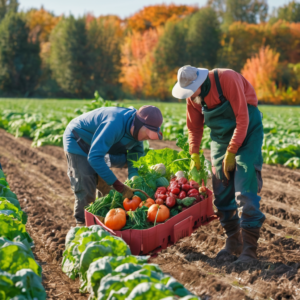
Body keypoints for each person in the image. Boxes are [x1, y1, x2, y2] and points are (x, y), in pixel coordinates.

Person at [172, 65, 265, 263]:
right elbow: (194, 128)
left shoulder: (227, 79)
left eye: (190, 90)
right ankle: (233, 241)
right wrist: (194, 155)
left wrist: (232, 152)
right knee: (221, 192)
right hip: (221, 139)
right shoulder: (193, 98)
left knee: (244, 189)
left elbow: (242, 118)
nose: (188, 95)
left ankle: (249, 251)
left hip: (247, 133)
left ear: (199, 82)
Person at [63, 105, 163, 226]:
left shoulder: (137, 136)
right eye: (147, 134)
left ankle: (103, 221)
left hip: (100, 145)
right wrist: (118, 185)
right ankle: (82, 223)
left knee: (107, 191)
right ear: (137, 125)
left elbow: (135, 160)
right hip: (79, 140)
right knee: (86, 185)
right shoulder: (114, 124)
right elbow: (94, 157)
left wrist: (134, 180)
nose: (147, 138)